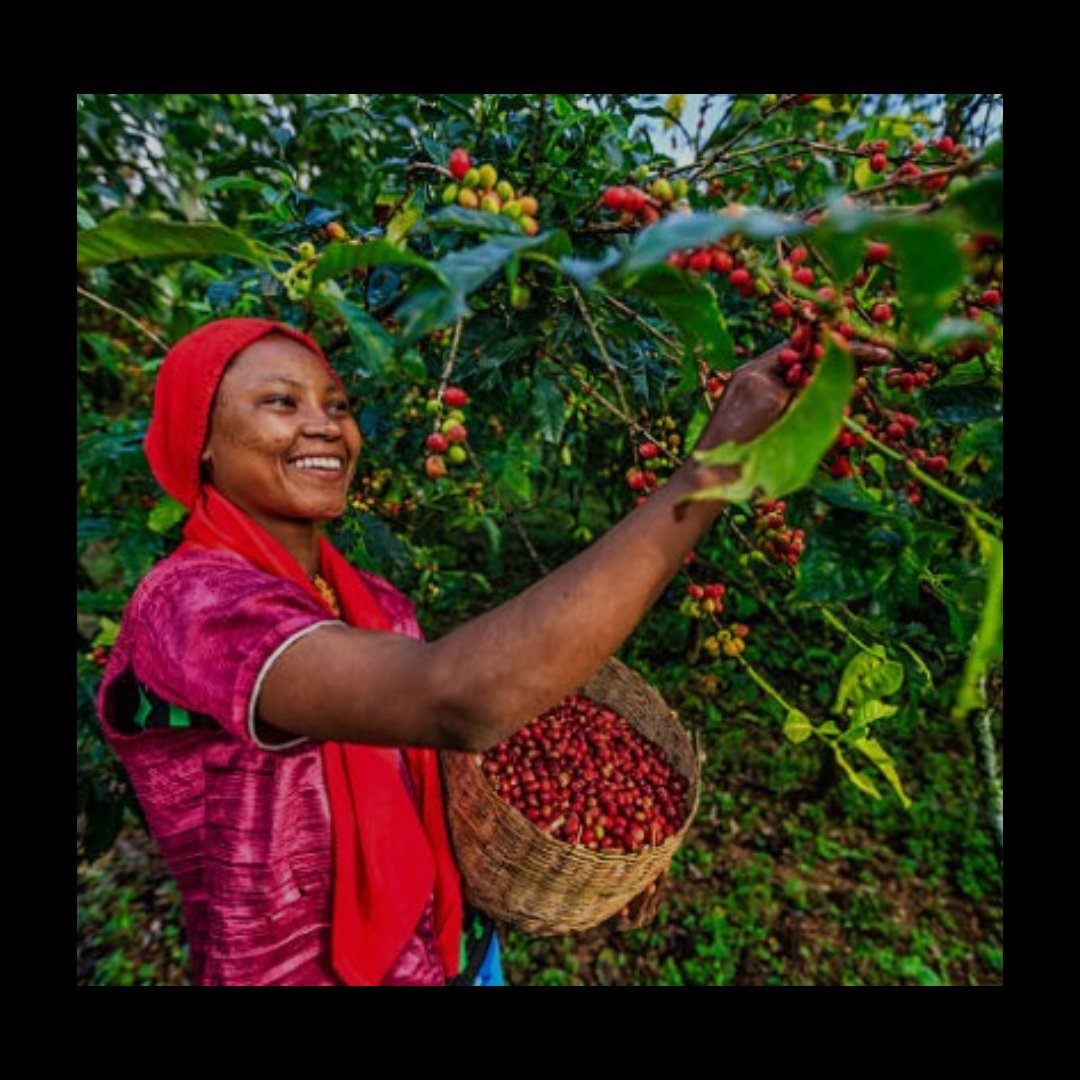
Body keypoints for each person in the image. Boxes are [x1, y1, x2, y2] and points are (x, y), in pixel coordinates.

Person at [95, 316, 796, 986]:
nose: (325, 425)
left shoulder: (376, 603)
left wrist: (599, 852)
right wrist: (706, 473)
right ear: (202, 439)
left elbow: (433, 779)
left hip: (454, 954)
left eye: (338, 406)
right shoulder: (188, 608)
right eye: (280, 402)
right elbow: (457, 699)